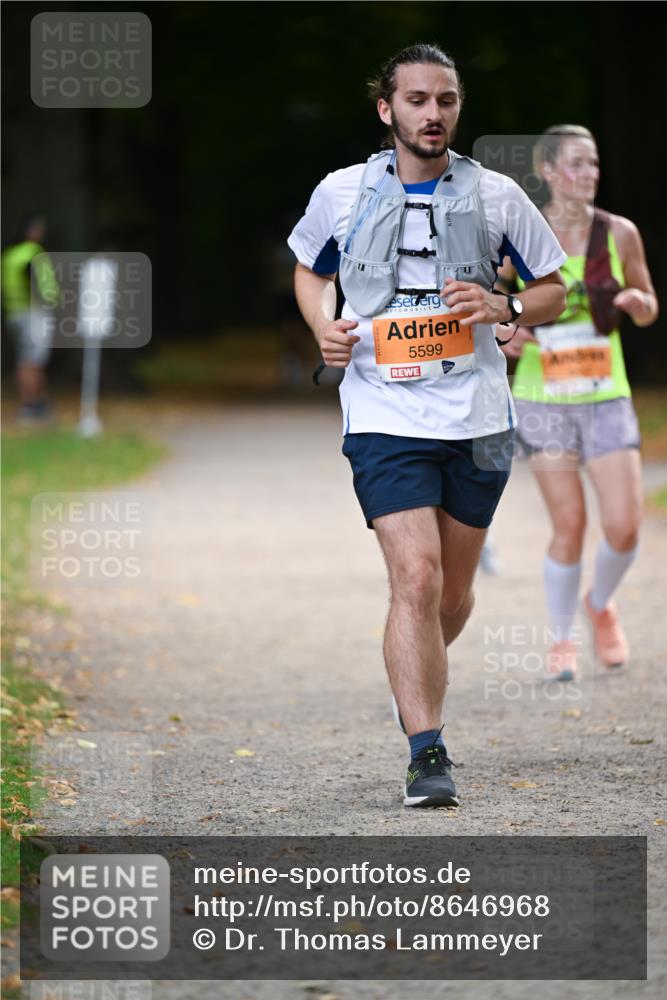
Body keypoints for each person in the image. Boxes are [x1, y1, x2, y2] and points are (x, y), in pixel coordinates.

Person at [287, 44, 566, 808]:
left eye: (444, 100)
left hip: (476, 416)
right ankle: (426, 751)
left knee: (450, 598)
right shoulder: (340, 193)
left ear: (456, 108)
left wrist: (504, 307)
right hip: (382, 409)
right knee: (414, 576)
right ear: (387, 110)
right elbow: (310, 269)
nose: (431, 114)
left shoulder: (499, 197)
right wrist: (324, 325)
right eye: (415, 100)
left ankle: (411, 678)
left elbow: (553, 291)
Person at [498, 126, 658, 681]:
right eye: (576, 164)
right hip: (544, 398)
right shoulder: (521, 233)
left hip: (606, 394)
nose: (589, 173)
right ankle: (562, 639)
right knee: (569, 523)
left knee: (624, 526)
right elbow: (492, 305)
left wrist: (638, 304)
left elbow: (648, 306)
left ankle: (600, 603)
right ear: (546, 171)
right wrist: (503, 333)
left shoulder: (620, 233)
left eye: (594, 164)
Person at [1, 216, 60, 423]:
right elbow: (38, 282)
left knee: (26, 359)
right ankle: (30, 405)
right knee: (31, 361)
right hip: (33, 313)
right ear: (33, 232)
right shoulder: (32, 254)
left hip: (14, 314)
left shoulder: (9, 255)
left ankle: (38, 401)